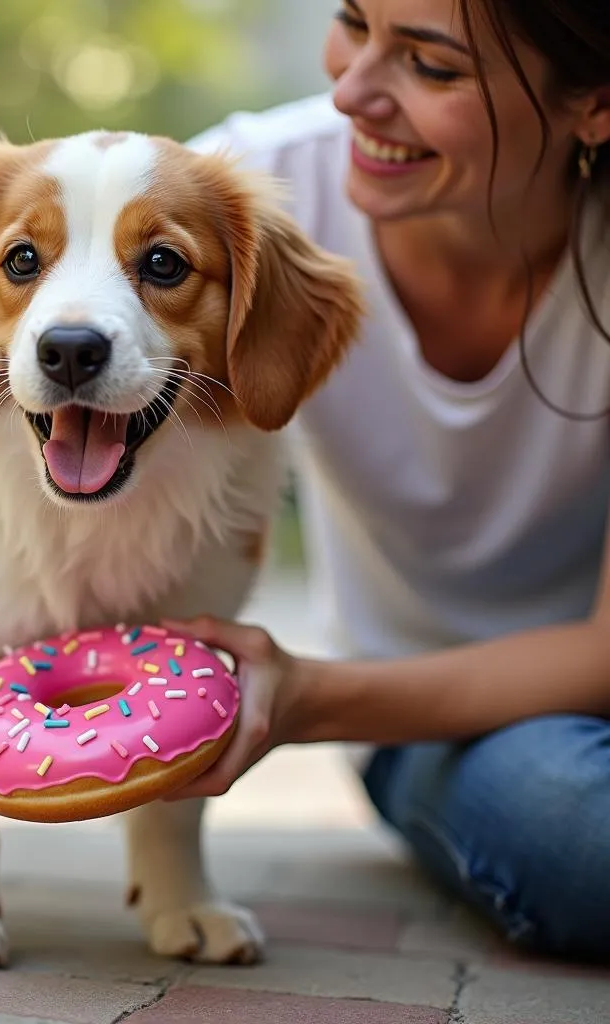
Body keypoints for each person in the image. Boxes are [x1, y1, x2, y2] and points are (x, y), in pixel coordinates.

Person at [173, 0, 610, 962]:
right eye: (352, 22)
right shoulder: (249, 191)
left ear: (593, 102)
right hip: (419, 717)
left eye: (432, 68)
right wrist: (311, 700)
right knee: (581, 830)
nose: (350, 91)